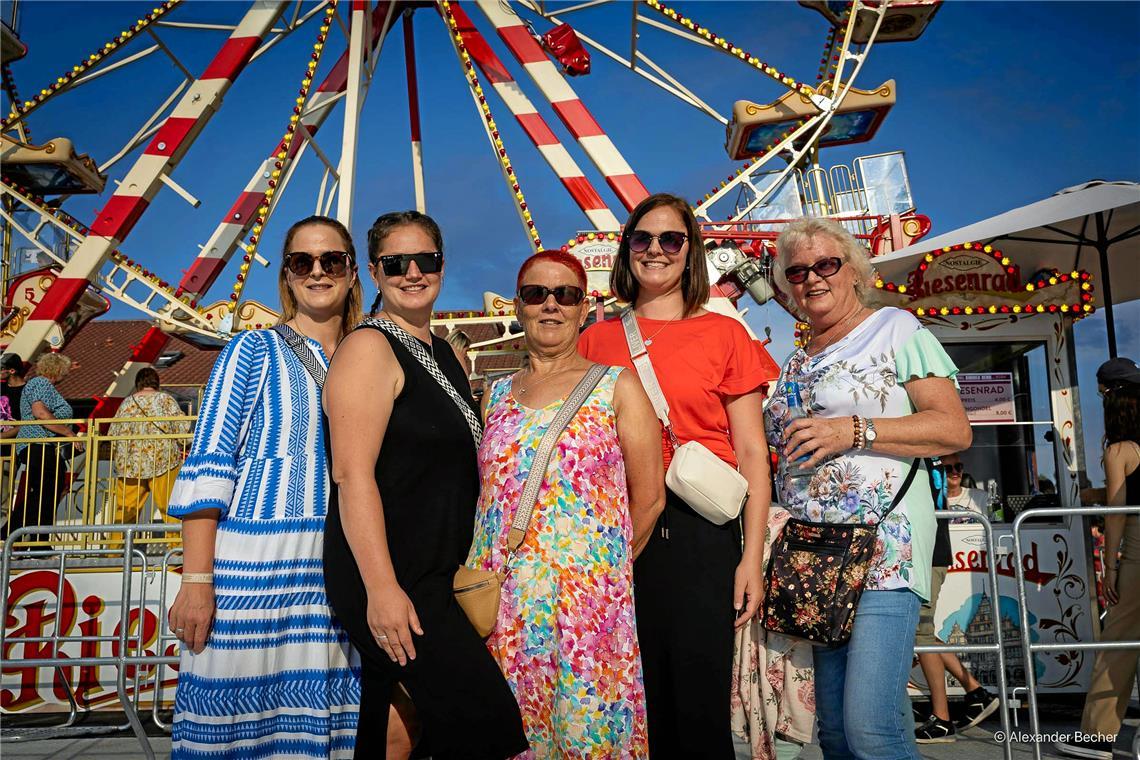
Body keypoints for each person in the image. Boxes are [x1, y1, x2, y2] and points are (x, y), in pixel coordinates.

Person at [579, 192, 778, 757]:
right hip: (618, 533)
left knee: (697, 705)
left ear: (690, 252)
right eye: (643, 239)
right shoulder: (593, 341)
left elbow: (751, 455)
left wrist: (750, 559)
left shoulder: (724, 335)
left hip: (699, 532)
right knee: (626, 699)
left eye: (672, 239)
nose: (656, 250)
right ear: (626, 250)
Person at [322, 210, 528, 759]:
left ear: (441, 264)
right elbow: (351, 474)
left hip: (438, 570)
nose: (413, 272)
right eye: (396, 263)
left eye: (426, 260)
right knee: (488, 722)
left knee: (401, 723)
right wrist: (382, 589)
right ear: (373, 271)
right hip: (394, 574)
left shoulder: (445, 354)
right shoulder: (368, 349)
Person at [765, 217, 972, 760]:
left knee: (870, 728)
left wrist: (853, 429)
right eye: (798, 270)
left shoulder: (895, 328)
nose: (812, 278)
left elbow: (953, 429)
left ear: (854, 270)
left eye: (826, 264)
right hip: (818, 560)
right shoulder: (797, 361)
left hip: (884, 549)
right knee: (832, 731)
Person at [165, 215, 364, 758]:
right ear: (286, 275)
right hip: (256, 563)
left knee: (325, 713)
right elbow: (211, 462)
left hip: (338, 564)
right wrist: (197, 579)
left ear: (352, 273)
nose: (318, 272)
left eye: (332, 261)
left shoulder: (367, 354)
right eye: (303, 261)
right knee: (235, 715)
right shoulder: (251, 352)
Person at [468, 250, 664, 756]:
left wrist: (599, 578)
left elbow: (649, 500)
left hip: (588, 616)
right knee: (512, 734)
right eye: (536, 294)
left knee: (586, 733)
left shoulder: (617, 386)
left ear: (584, 307)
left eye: (566, 295)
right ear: (518, 307)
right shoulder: (495, 394)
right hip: (506, 612)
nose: (550, 305)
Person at [1057, 361, 1140, 760]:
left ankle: (1097, 735)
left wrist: (1110, 565)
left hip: (1138, 552)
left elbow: (1117, 514)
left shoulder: (1120, 450)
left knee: (1119, 644)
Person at [913, 451, 999, 743]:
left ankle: (942, 719)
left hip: (926, 552)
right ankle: (975, 692)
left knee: (921, 633)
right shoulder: (929, 456)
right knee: (920, 631)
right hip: (927, 551)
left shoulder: (922, 458)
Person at [3, 352, 80, 545]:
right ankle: (16, 535)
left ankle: (31, 540)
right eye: (66, 371)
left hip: (42, 445)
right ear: (58, 370)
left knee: (46, 494)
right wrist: (69, 434)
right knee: (44, 494)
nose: (68, 374)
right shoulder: (40, 384)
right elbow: (40, 413)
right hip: (38, 444)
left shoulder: (41, 386)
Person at [106, 368, 191, 541]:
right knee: (169, 508)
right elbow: (183, 429)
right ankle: (174, 550)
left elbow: (112, 433)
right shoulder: (165, 400)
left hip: (130, 464)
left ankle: (114, 552)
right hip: (162, 460)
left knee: (125, 510)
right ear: (156, 383)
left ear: (137, 383)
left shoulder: (127, 402)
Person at [941, 451, 988, 523]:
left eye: (958, 467)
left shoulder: (982, 497)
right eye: (948, 468)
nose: (955, 471)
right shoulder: (932, 500)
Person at [1, 353, 27, 439]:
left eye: (1, 368)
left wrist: (2, 436)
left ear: (12, 371)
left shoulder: (29, 390)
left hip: (15, 444)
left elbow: (29, 422)